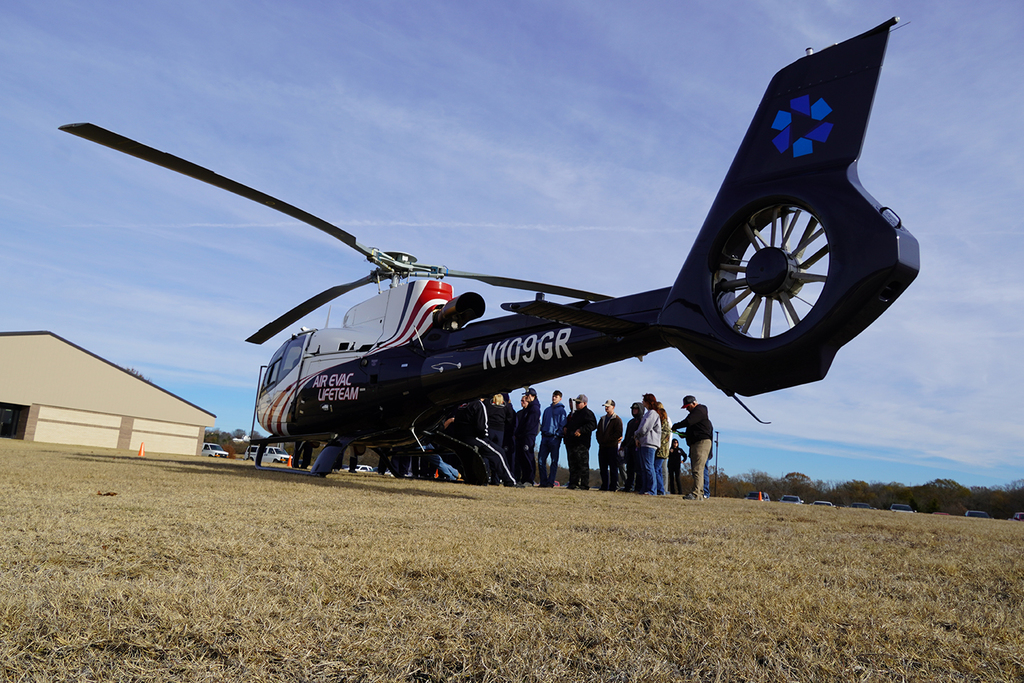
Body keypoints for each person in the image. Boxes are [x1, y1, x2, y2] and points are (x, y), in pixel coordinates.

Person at [454, 396, 517, 486]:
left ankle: (480, 478)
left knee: (486, 454)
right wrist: (485, 436)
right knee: (499, 453)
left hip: (461, 437)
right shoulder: (478, 405)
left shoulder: (463, 405)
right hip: (474, 437)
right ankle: (510, 481)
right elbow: (481, 426)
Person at [672, 395, 714, 500]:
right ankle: (698, 493)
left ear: (694, 403)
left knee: (698, 469)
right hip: (696, 443)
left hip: (701, 443)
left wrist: (675, 426)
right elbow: (694, 427)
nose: (687, 409)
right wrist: (685, 434)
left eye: (688, 406)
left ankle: (697, 494)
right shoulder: (696, 414)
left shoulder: (700, 410)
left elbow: (688, 421)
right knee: (697, 469)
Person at [563, 394, 597, 489]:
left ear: (585, 403)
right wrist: (566, 428)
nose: (576, 404)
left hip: (582, 443)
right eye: (576, 402)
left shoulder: (588, 413)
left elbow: (593, 425)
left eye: (579, 402)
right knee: (573, 464)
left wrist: (581, 430)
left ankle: (584, 484)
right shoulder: (575, 414)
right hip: (572, 443)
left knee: (582, 464)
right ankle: (573, 483)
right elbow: (571, 425)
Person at [537, 390, 567, 487]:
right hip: (545, 438)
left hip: (555, 439)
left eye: (556, 396)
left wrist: (557, 434)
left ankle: (550, 482)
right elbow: (543, 423)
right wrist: (543, 433)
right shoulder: (547, 410)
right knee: (541, 460)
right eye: (553, 396)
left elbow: (562, 424)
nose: (554, 398)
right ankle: (543, 481)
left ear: (560, 398)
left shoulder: (562, 411)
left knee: (554, 461)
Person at [633, 394, 661, 495]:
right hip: (644, 443)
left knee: (648, 466)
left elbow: (645, 427)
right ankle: (644, 489)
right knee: (644, 467)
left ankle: (652, 490)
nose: (642, 402)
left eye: (644, 400)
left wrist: (636, 435)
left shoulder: (652, 414)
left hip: (649, 444)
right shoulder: (648, 413)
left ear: (648, 402)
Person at [514, 388, 541, 485]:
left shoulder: (534, 409)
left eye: (528, 395)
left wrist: (522, 434)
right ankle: (524, 478)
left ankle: (529, 479)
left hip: (528, 436)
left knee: (528, 457)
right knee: (522, 458)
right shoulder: (528, 408)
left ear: (532, 396)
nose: (526, 397)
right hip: (522, 436)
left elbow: (530, 425)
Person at [595, 400, 623, 491]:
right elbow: (598, 432)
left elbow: (618, 433)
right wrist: (600, 441)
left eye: (608, 406)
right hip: (602, 447)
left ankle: (613, 486)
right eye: (605, 406)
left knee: (613, 467)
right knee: (603, 467)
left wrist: (608, 440)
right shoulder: (602, 419)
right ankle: (604, 485)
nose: (606, 408)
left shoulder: (617, 419)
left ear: (613, 407)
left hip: (612, 447)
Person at [618, 402, 643, 492]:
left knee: (638, 468)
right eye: (633, 409)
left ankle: (638, 487)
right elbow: (627, 435)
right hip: (629, 447)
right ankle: (628, 486)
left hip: (638, 447)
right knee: (630, 468)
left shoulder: (642, 420)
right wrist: (623, 445)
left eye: (636, 409)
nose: (634, 410)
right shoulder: (630, 422)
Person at [654, 402, 671, 495]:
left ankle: (661, 489)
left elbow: (663, 439)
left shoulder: (665, 426)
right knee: (659, 470)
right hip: (662, 450)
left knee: (657, 469)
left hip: (662, 451)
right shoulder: (664, 425)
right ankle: (660, 489)